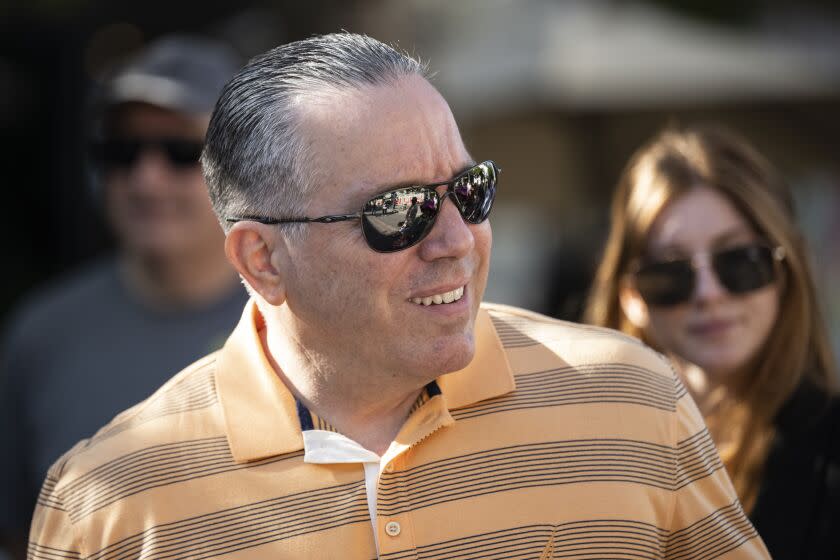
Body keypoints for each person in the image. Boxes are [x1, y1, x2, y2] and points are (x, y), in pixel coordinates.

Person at [29, 34, 769, 559]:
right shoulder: (110, 503)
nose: (457, 239)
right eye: (398, 211)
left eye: (470, 192)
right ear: (263, 259)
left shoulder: (632, 399)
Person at [0, 35, 248, 557]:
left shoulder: (308, 322)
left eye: (182, 153)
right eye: (122, 152)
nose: (146, 180)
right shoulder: (41, 335)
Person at [585, 123, 839, 559]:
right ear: (630, 295)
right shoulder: (587, 457)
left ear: (786, 270)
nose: (709, 294)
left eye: (740, 261)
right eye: (671, 271)